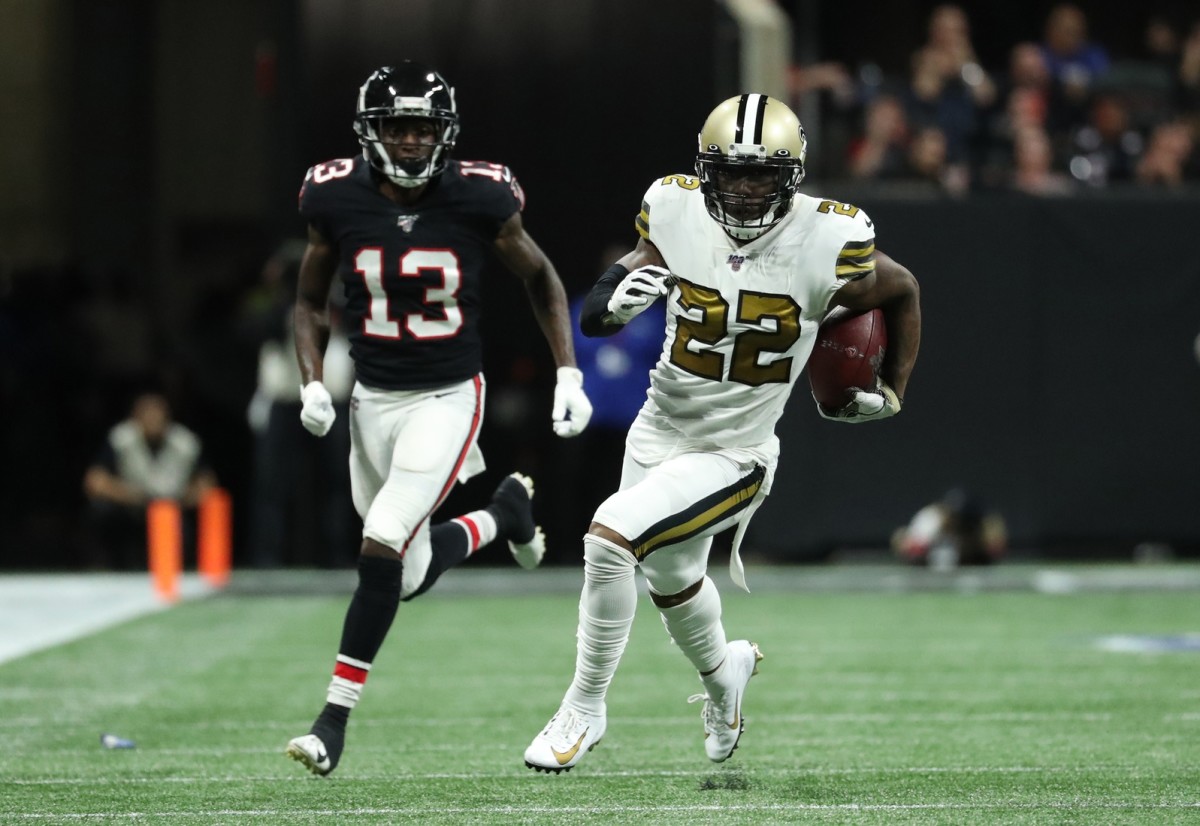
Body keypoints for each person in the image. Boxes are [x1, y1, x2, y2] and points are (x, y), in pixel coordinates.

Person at [523, 93, 921, 773]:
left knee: (610, 536)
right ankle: (724, 677)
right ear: (705, 171)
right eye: (730, 173)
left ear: (790, 174)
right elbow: (600, 307)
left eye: (760, 174)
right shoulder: (674, 209)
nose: (742, 189)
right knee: (672, 580)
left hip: (736, 452)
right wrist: (610, 302)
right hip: (657, 427)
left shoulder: (829, 237)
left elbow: (902, 288)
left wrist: (893, 391)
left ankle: (584, 708)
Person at [284, 61, 593, 776]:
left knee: (384, 541)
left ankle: (331, 722)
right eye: (401, 127)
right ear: (373, 132)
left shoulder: (480, 195)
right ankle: (504, 514)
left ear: (446, 132)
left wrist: (568, 370)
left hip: (448, 397)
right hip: (372, 399)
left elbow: (542, 277)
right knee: (407, 571)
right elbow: (307, 299)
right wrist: (311, 382)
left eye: (426, 128)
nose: (416, 142)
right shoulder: (333, 197)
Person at [82, 392, 217, 570]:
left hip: (173, 508)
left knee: (199, 516)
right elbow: (94, 481)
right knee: (101, 510)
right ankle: (106, 563)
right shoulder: (121, 439)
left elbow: (208, 482)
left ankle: (188, 565)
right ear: (135, 418)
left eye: (158, 414)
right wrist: (129, 495)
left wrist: (185, 498)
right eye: (147, 414)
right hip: (132, 506)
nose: (153, 419)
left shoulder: (185, 442)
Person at [893, 488, 1007, 570]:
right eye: (952, 515)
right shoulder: (930, 520)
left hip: (970, 554)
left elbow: (995, 548)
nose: (955, 520)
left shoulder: (981, 521)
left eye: (959, 518)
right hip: (932, 557)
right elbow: (908, 546)